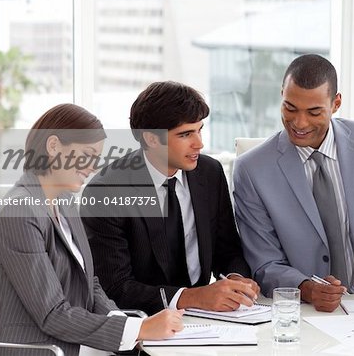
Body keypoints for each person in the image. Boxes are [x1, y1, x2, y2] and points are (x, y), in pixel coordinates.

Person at [0, 103, 184, 356]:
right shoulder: (19, 214)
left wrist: (129, 326)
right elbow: (52, 314)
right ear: (53, 145)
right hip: (40, 349)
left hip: (73, 344)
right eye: (87, 154)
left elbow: (91, 283)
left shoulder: (64, 202)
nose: (92, 167)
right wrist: (139, 329)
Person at [233, 54, 354, 313]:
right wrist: (306, 288)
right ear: (281, 95)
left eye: (314, 112)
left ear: (336, 103)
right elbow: (265, 263)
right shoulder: (251, 169)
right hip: (306, 306)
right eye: (290, 108)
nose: (299, 123)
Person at [81, 81, 260, 315]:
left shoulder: (210, 172)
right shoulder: (106, 192)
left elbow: (227, 250)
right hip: (144, 321)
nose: (199, 143)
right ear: (151, 139)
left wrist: (236, 280)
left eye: (199, 130)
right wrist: (193, 297)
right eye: (185, 134)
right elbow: (115, 288)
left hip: (210, 318)